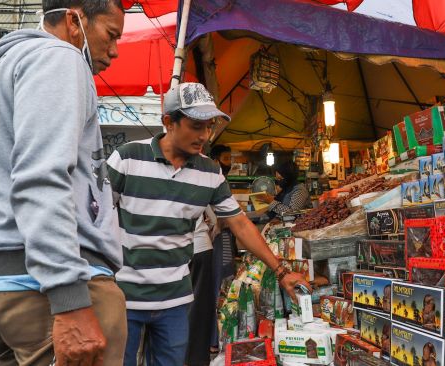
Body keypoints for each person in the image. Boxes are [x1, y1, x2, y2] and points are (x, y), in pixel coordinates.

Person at [107, 82, 310, 366]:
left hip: (175, 301)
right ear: (169, 122)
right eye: (196, 126)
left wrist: (280, 271)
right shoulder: (127, 158)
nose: (204, 135)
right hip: (123, 297)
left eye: (209, 127)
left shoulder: (210, 171)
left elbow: (239, 223)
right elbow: (96, 218)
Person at [0, 1, 126, 364]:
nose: (115, 51)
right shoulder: (58, 57)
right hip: (44, 288)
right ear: (75, 20)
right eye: (111, 34)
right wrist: (69, 298)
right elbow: (41, 176)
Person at [186, 144, 232, 366]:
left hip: (175, 252)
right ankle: (196, 356)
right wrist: (211, 230)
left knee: (180, 304)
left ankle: (183, 355)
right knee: (200, 305)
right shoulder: (208, 170)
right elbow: (216, 217)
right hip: (201, 247)